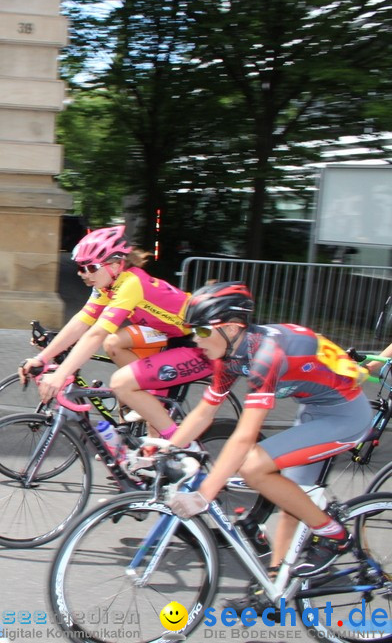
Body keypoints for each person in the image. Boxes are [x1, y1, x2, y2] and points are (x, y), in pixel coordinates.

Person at [161, 282, 372, 607]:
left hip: (345, 415)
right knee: (290, 497)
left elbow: (245, 436)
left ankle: (334, 536)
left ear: (231, 327)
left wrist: (205, 495)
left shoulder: (265, 355)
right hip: (314, 409)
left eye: (201, 330)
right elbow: (203, 413)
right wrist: (162, 449)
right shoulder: (230, 354)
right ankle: (277, 588)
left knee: (255, 467)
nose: (195, 339)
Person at [19, 225, 209, 440]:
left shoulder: (131, 283)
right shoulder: (107, 285)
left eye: (91, 267)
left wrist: (61, 374)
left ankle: (181, 448)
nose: (84, 274)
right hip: (165, 332)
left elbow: (95, 333)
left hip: (195, 341)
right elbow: (81, 322)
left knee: (154, 422)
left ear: (117, 264)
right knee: (114, 346)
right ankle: (142, 401)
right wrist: (42, 358)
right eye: (81, 267)